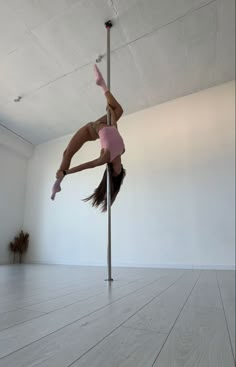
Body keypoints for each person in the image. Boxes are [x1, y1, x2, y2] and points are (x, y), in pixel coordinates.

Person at [51, 65, 126, 212]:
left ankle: (57, 183)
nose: (119, 167)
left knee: (67, 153)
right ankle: (102, 84)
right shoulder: (122, 149)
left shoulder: (106, 157)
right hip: (107, 123)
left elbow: (87, 165)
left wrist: (66, 172)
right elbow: (115, 130)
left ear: (111, 170)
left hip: (89, 131)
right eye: (120, 169)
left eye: (117, 171)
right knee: (119, 110)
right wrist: (111, 113)